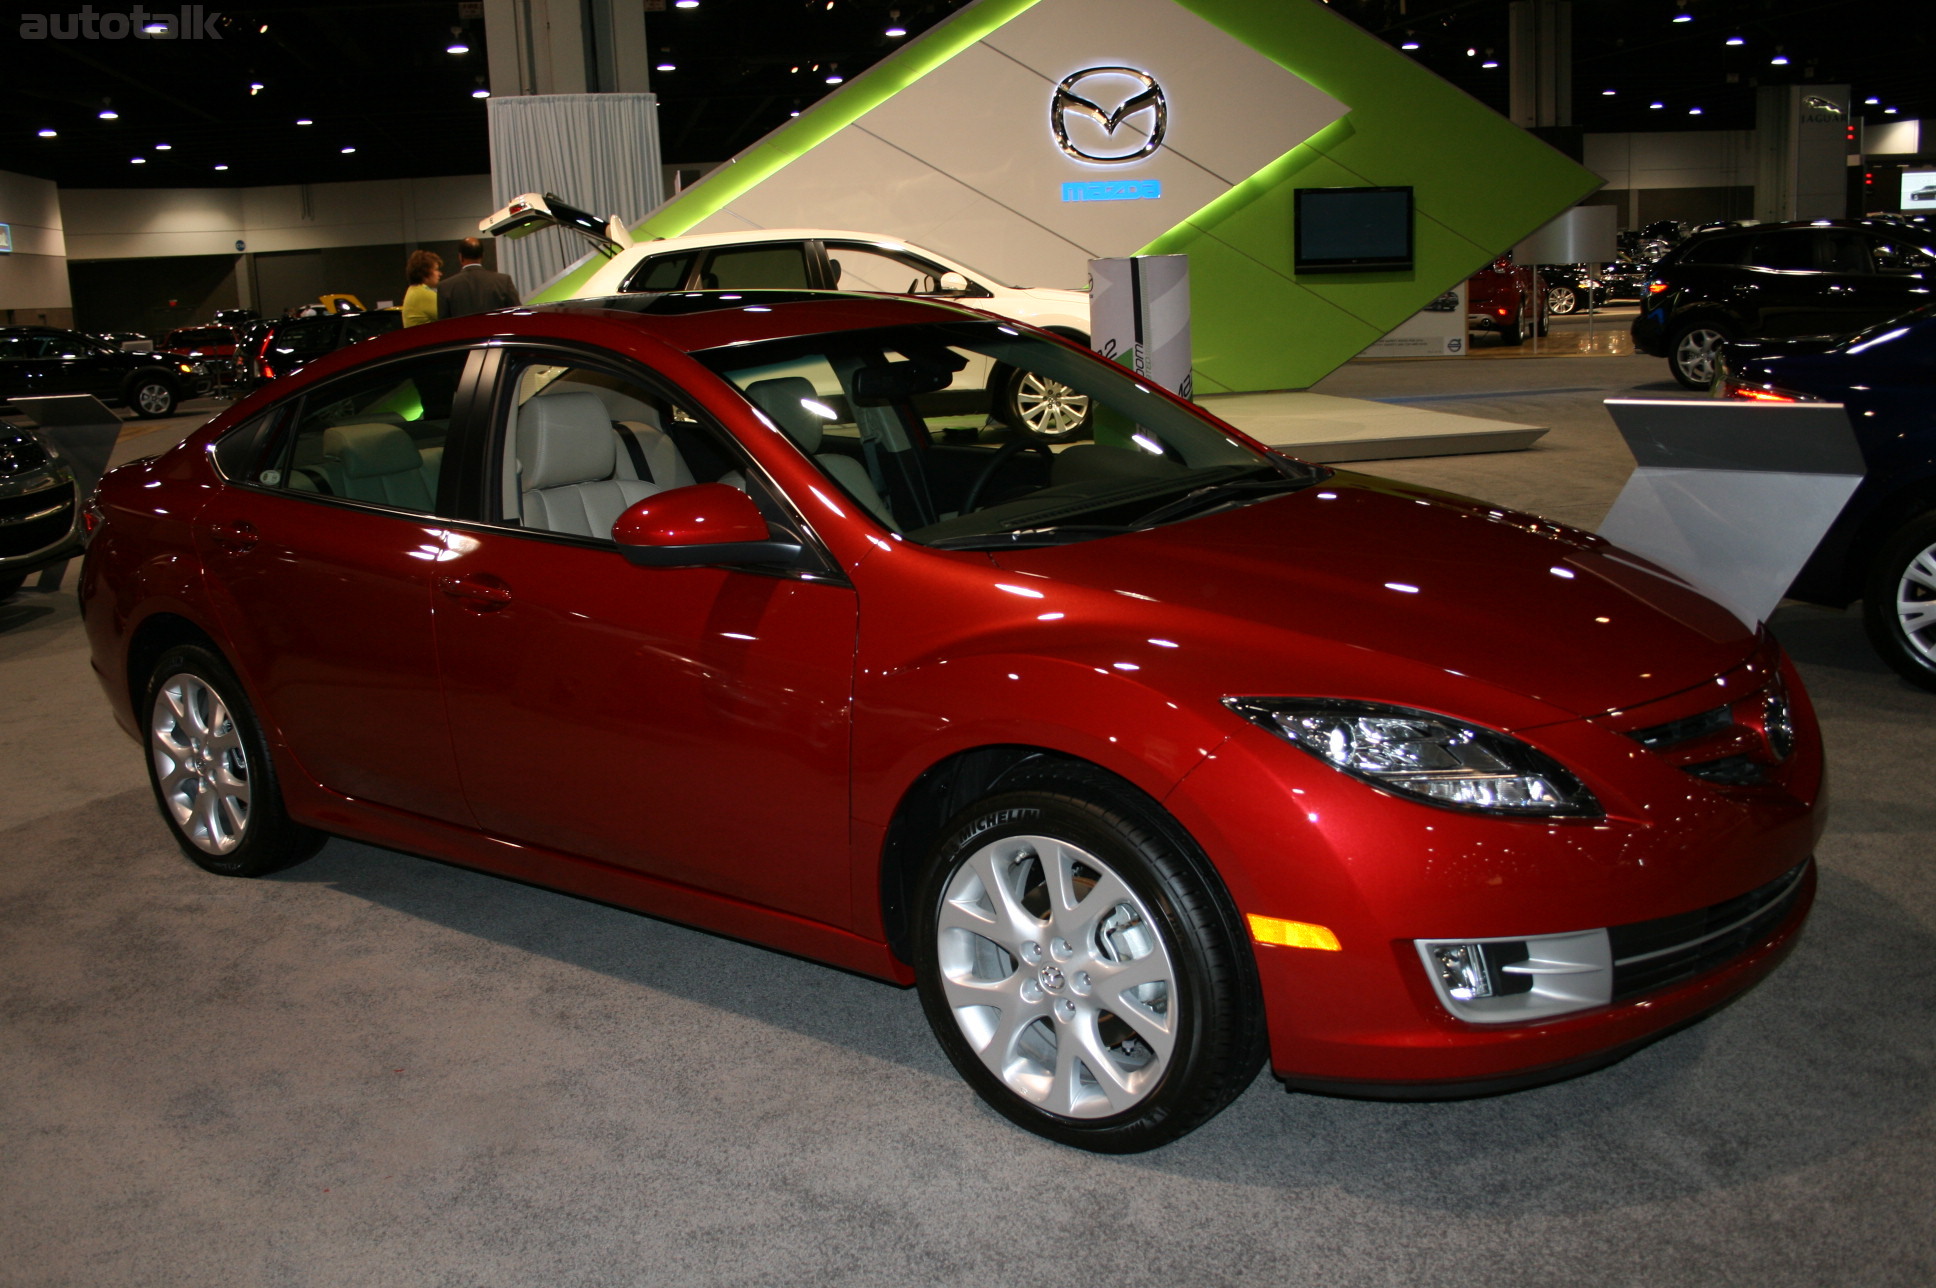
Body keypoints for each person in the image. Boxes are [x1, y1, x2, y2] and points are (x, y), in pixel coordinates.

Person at [436, 237, 520, 318]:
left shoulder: (445, 287)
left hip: (464, 332)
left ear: (460, 257)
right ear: (482, 255)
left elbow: (444, 324)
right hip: (496, 331)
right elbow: (517, 314)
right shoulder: (504, 281)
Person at [401, 249, 442, 328]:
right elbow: (452, 317)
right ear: (424, 271)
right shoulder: (422, 294)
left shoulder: (413, 290)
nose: (440, 273)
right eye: (436, 269)